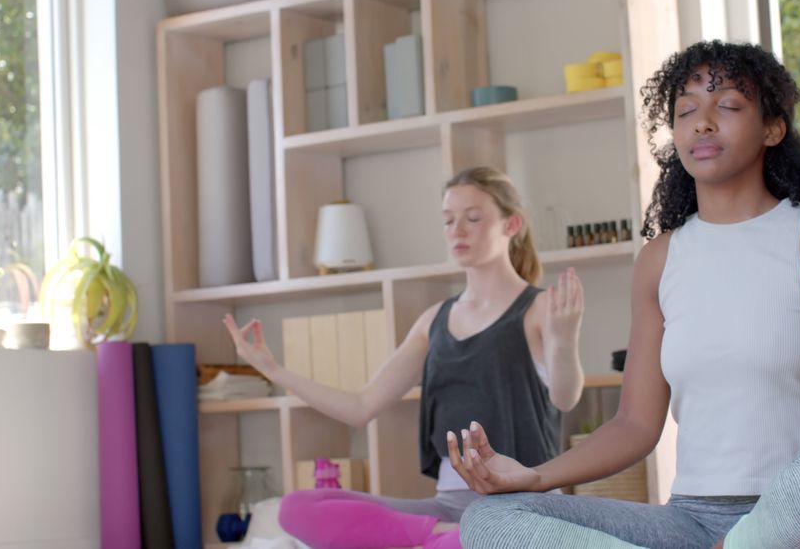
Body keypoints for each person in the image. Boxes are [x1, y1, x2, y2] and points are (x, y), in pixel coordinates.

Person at [446, 40, 800, 549]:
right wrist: (531, 476)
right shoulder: (660, 260)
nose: (702, 123)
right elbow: (636, 425)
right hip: (688, 524)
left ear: (773, 128)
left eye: (727, 106)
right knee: (488, 521)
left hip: (792, 514)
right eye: (686, 111)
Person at [223, 166, 587, 549]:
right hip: (448, 511)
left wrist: (564, 339)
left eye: (473, 218)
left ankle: (462, 537)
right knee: (297, 507)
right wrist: (274, 371)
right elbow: (361, 406)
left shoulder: (542, 307)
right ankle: (446, 536)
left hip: (520, 506)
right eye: (448, 221)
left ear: (511, 225)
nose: (457, 230)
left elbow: (565, 398)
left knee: (472, 541)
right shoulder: (433, 321)